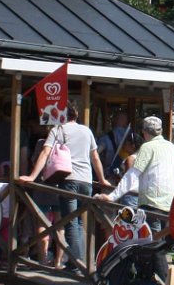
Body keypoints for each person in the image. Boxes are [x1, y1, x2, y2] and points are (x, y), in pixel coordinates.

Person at [20, 105, 108, 273]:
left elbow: (45, 153)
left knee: (70, 223)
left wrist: (32, 176)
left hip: (69, 180)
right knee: (79, 221)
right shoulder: (86, 131)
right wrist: (102, 179)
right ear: (75, 115)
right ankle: (81, 261)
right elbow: (94, 157)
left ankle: (76, 263)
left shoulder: (58, 130)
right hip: (86, 181)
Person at [99, 115, 174, 233]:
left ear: (144, 131)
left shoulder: (147, 147)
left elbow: (132, 175)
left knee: (151, 242)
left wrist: (111, 196)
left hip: (151, 203)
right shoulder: (171, 147)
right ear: (160, 130)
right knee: (162, 242)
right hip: (169, 203)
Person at [96, 110, 136, 185]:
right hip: (126, 178)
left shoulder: (106, 138)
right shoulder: (133, 138)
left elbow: (97, 153)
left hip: (109, 177)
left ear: (115, 120)